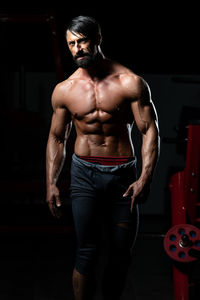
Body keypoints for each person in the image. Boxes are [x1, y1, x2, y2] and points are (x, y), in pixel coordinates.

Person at [46, 15, 160, 300]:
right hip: (83, 173)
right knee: (86, 251)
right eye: (71, 44)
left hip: (122, 176)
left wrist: (145, 178)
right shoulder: (65, 90)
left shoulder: (131, 83)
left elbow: (149, 131)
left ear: (97, 39)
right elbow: (57, 138)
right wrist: (51, 182)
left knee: (121, 254)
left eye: (82, 41)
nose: (77, 49)